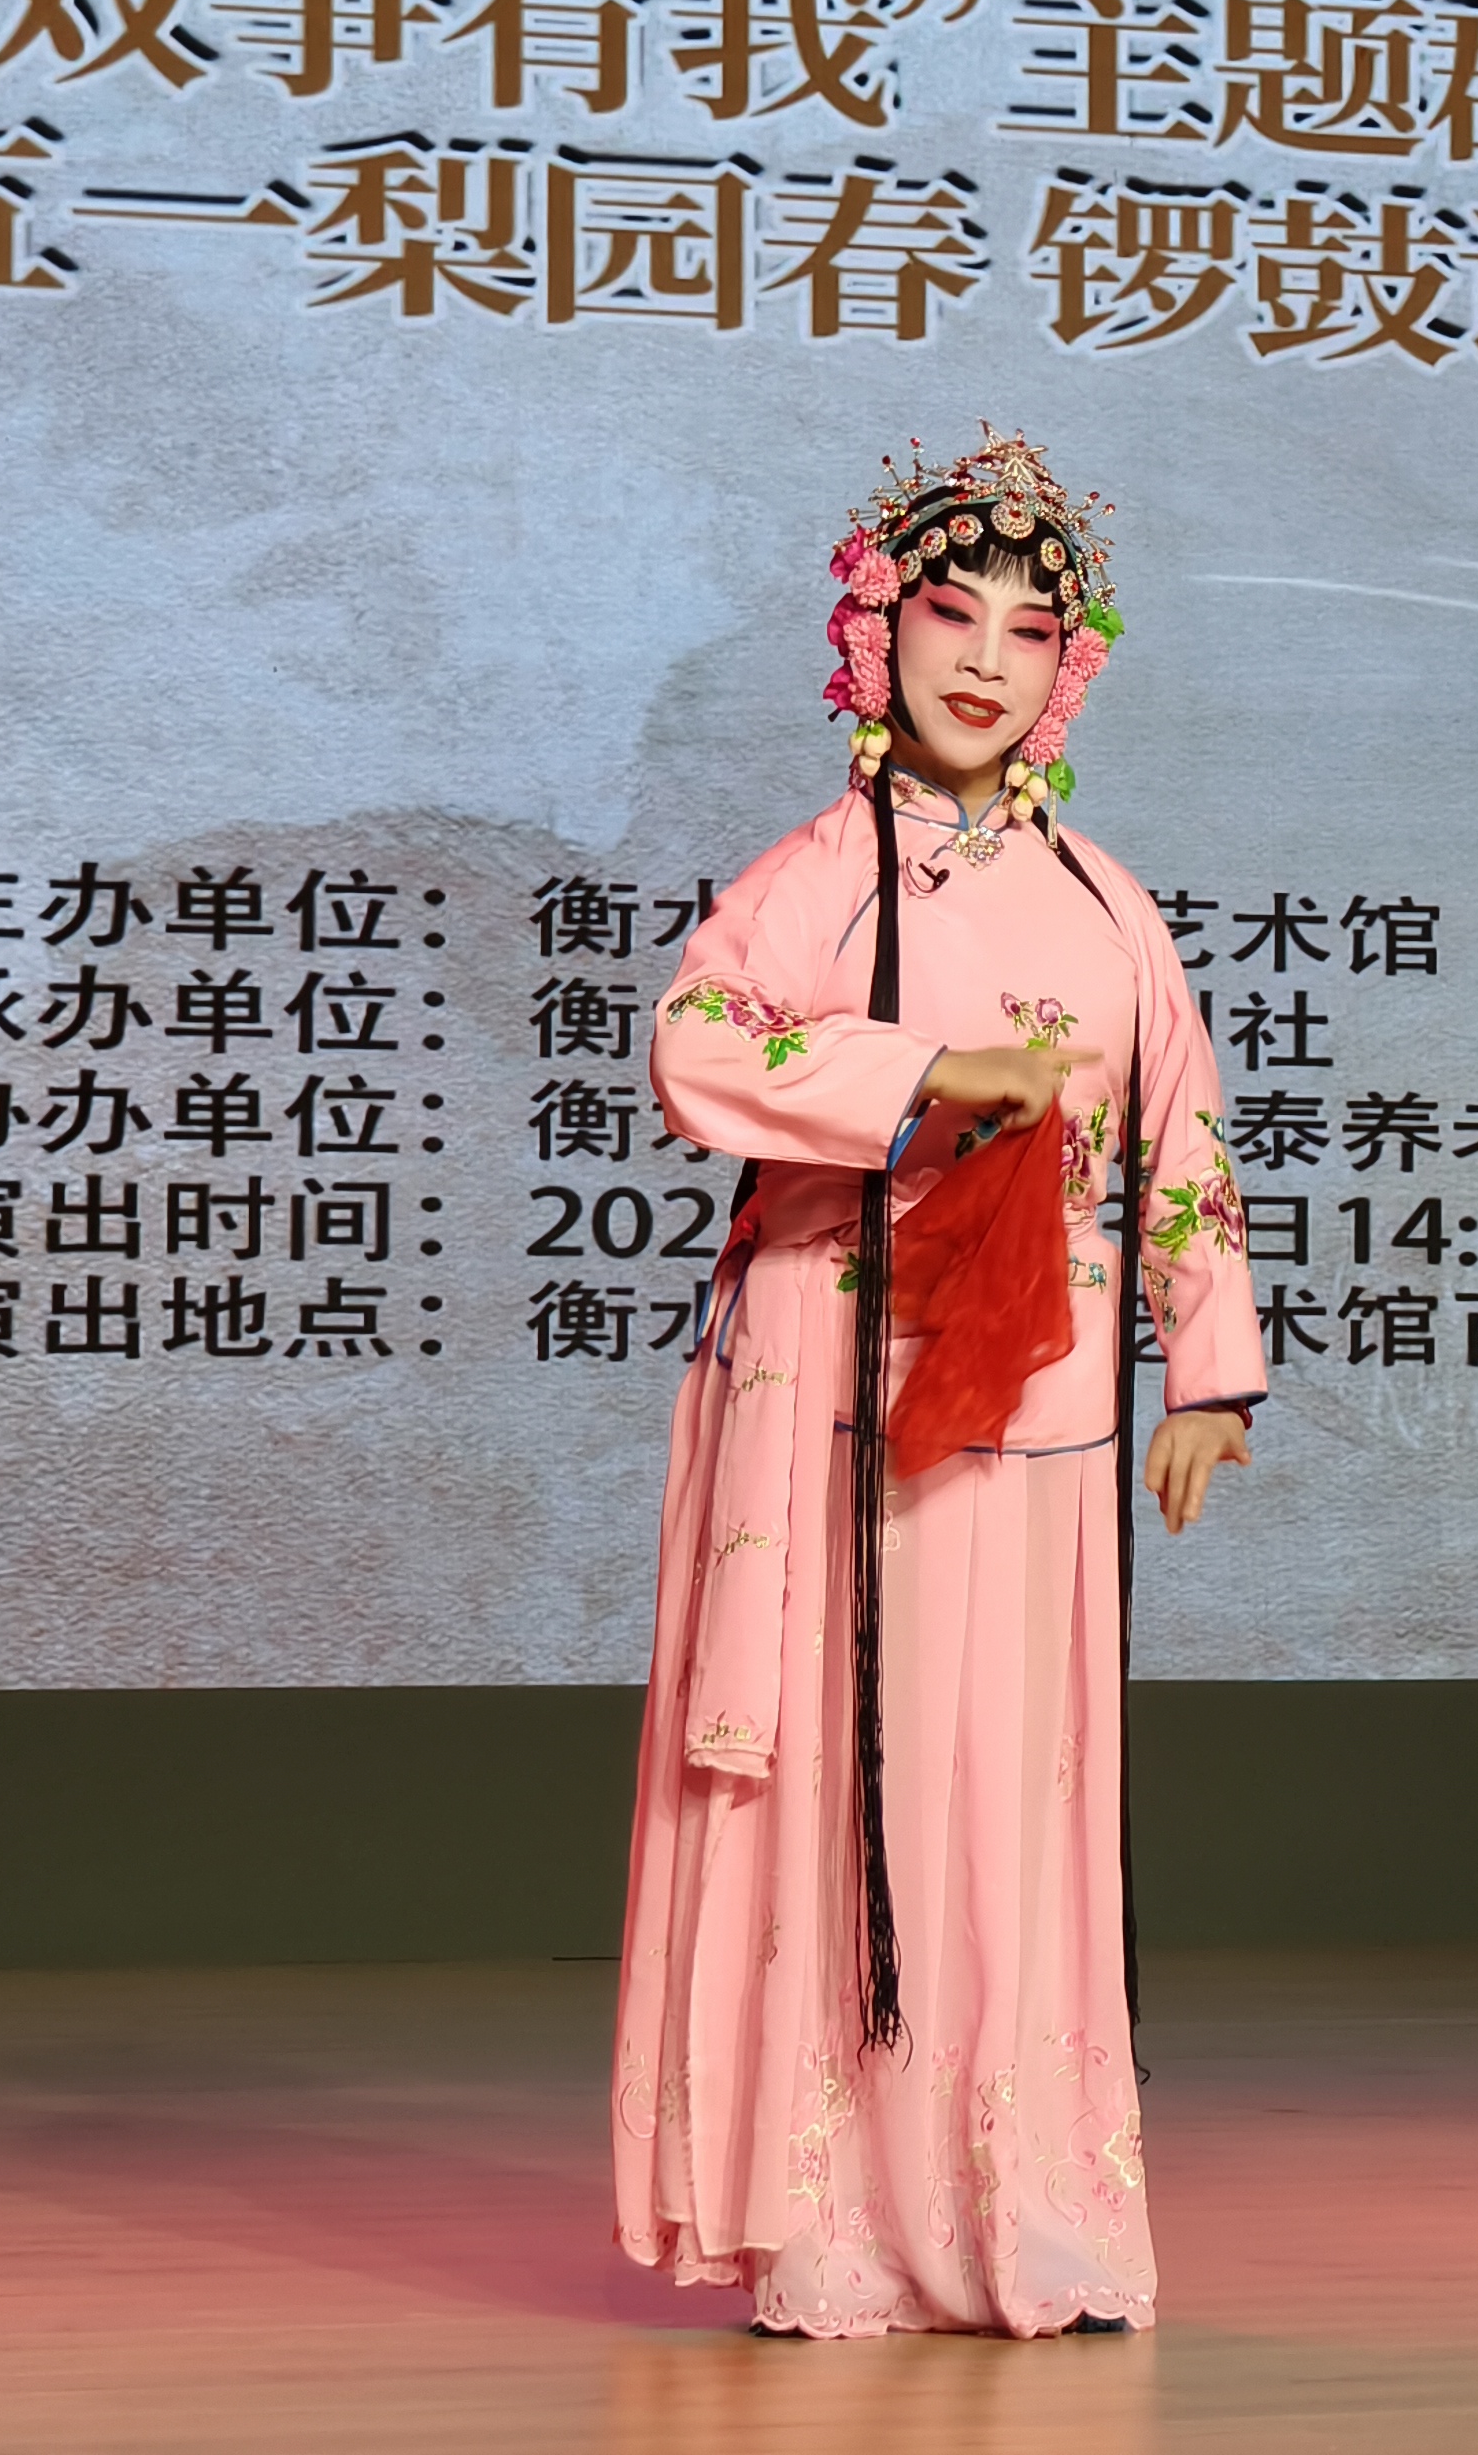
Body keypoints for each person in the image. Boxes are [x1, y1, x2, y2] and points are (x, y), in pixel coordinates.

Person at [610, 432, 1262, 2336]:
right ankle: (836, 2226)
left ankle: (1030, 2209)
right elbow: (698, 1045)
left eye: (1029, 630)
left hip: (1043, 1411)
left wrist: (1208, 1370)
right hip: (842, 1397)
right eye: (949, 615)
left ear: (1073, 667)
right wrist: (921, 1074)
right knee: (861, 1791)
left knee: (1017, 1798)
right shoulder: (821, 874)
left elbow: (1179, 1135)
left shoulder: (1106, 899)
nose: (983, 659)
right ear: (873, 639)